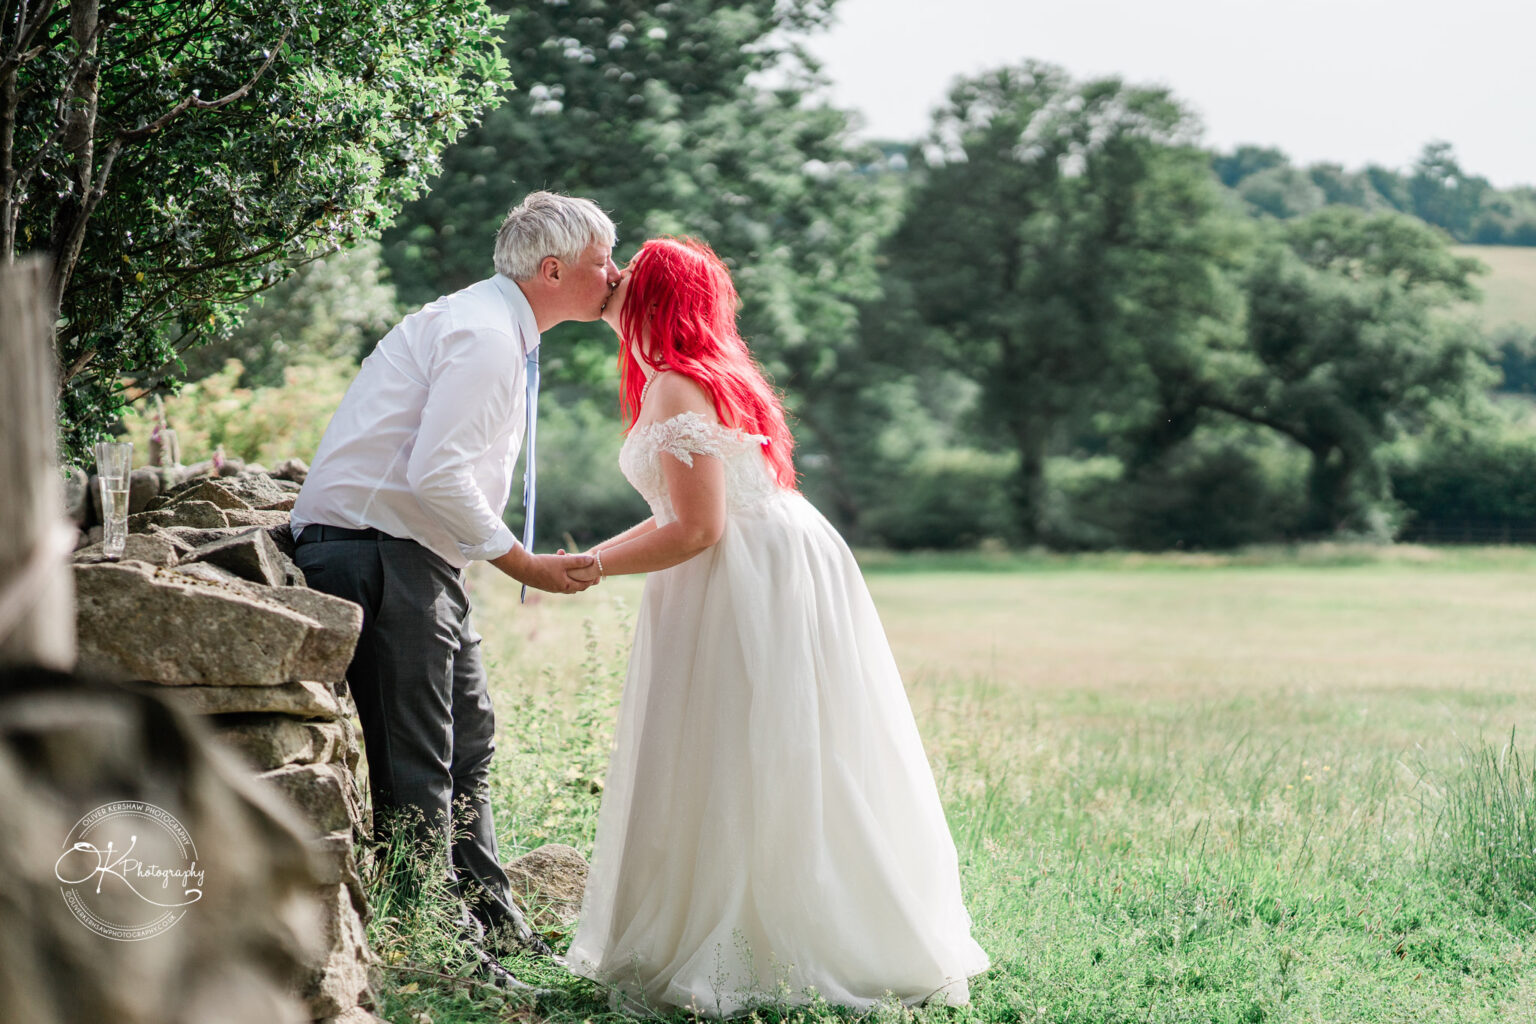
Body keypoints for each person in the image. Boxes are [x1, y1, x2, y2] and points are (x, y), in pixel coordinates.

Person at [563, 237, 989, 1014]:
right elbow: (682, 514)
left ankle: (772, 941)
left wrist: (591, 570)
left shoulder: (676, 387)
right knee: (787, 745)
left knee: (739, 745)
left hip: (744, 576)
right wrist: (591, 556)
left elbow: (697, 531)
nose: (612, 287)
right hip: (777, 558)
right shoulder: (715, 377)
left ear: (655, 297)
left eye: (627, 279)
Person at [290, 192, 616, 990]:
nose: (617, 272)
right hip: (377, 555)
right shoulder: (482, 337)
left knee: (467, 745)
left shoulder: (492, 324)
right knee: (419, 764)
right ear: (553, 269)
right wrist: (524, 564)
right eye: (604, 259)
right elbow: (437, 472)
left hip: (413, 557)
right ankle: (435, 952)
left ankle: (491, 925)